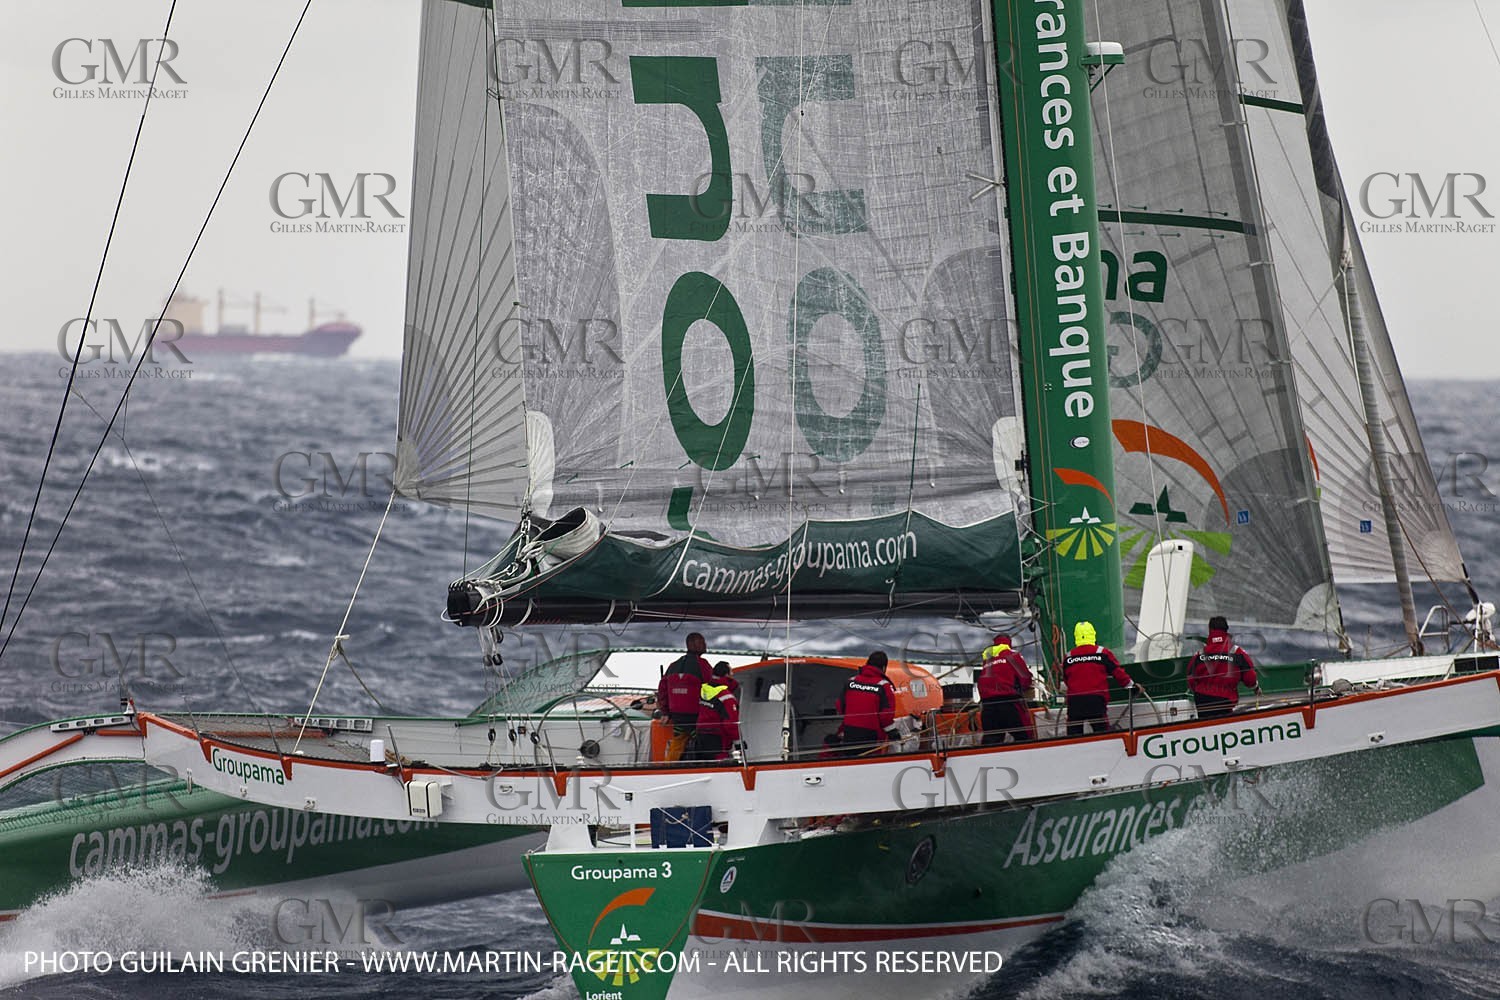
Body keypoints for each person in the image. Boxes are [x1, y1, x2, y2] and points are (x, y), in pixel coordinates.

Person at [1063, 621, 1136, 736]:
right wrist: (1132, 686)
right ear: (1093, 634)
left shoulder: (1068, 657)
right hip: (1096, 701)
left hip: (1075, 702)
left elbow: (1067, 680)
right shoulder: (1102, 653)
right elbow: (1118, 673)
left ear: (1076, 636)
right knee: (1102, 733)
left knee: (1073, 736)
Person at [1187, 616, 1258, 720]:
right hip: (1225, 700)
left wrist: (1200, 690)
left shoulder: (1199, 654)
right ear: (1226, 630)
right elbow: (1250, 679)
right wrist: (1256, 688)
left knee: (1206, 728)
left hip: (1202, 700)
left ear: (1210, 630)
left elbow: (1191, 679)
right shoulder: (1236, 652)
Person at [655, 633, 711, 761]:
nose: (705, 645)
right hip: (695, 715)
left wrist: (665, 712)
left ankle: (668, 769)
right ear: (693, 644)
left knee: (677, 742)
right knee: (701, 742)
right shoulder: (702, 665)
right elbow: (711, 686)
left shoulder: (673, 665)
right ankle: (702, 766)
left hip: (677, 715)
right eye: (701, 642)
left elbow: (662, 689)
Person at [977, 634, 1033, 746]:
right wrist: (1025, 687)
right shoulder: (1012, 655)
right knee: (1024, 737)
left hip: (988, 706)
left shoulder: (987, 659)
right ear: (1009, 643)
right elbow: (1025, 677)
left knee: (991, 741)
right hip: (1009, 703)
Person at [837, 651, 897, 754]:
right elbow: (885, 716)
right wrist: (893, 732)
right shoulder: (883, 686)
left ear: (867, 663)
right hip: (871, 735)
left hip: (849, 732)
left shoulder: (851, 682)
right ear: (883, 667)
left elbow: (840, 706)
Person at [691, 661, 741, 761]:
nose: (733, 674)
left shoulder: (703, 690)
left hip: (700, 735)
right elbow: (731, 724)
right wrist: (738, 742)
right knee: (720, 767)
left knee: (703, 765)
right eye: (731, 672)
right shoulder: (726, 697)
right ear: (726, 675)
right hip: (718, 740)